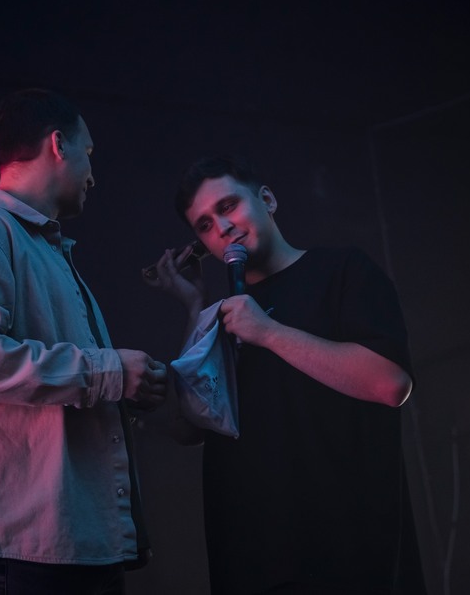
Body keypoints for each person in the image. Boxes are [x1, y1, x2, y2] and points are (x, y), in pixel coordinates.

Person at [0, 88, 169, 594]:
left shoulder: (49, 254)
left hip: (73, 549)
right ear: (58, 144)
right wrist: (110, 372)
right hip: (18, 558)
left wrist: (126, 385)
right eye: (89, 152)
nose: (93, 174)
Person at [144, 155, 426, 594]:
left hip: (347, 554)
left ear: (268, 200)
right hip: (253, 562)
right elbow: (188, 427)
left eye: (228, 206)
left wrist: (269, 332)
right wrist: (196, 307)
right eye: (204, 225)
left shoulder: (343, 271)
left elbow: (390, 384)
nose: (222, 227)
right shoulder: (221, 318)